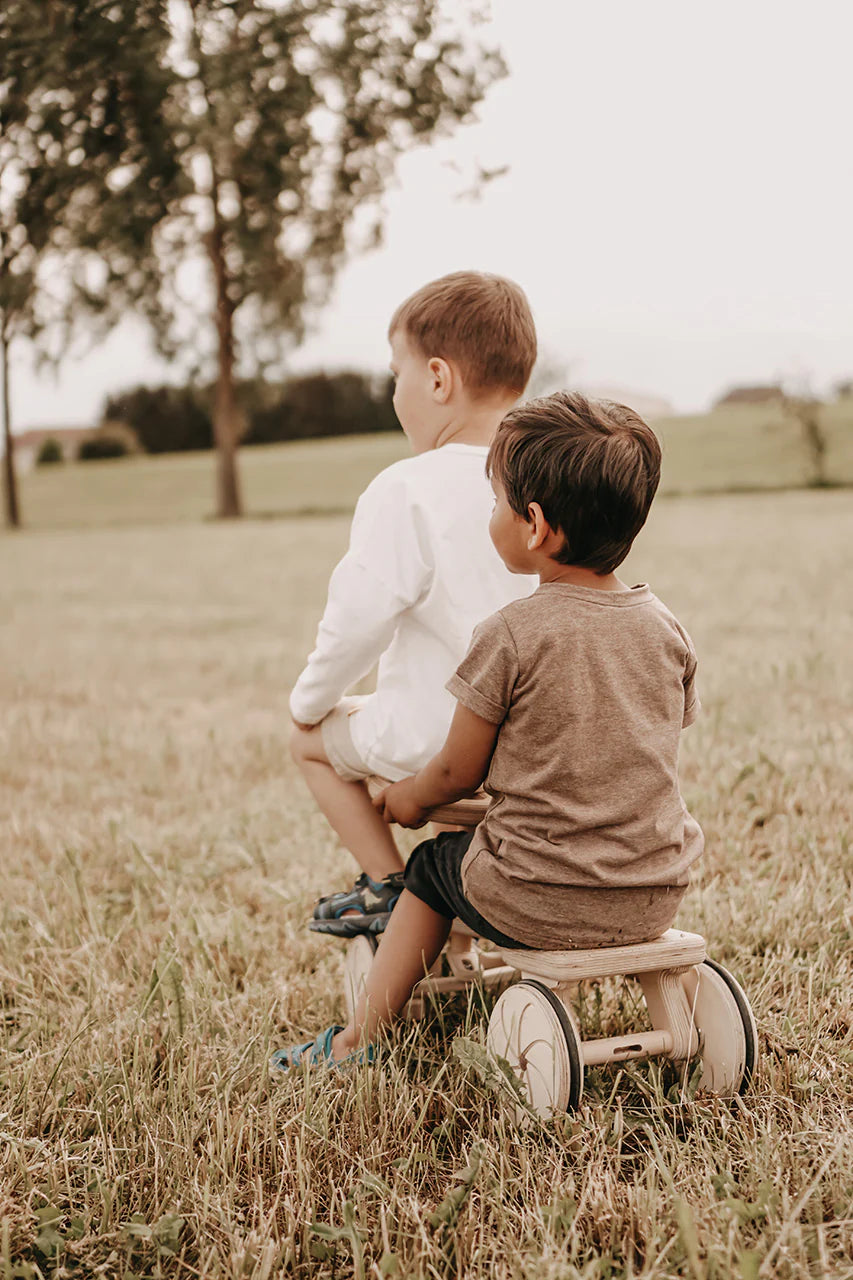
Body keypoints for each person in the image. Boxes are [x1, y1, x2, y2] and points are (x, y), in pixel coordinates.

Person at [272, 390, 704, 1069]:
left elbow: (455, 773)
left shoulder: (509, 635)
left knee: (428, 869)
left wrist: (406, 800)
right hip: (654, 889)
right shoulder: (664, 629)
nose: (492, 516)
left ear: (533, 525)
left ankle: (358, 1041)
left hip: (543, 898)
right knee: (485, 846)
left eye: (496, 502)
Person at [289, 272, 538, 937]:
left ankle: (386, 886)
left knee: (310, 744)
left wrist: (309, 704)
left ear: (435, 379)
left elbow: (356, 623)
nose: (393, 391)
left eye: (394, 373)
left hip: (436, 739)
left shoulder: (405, 488)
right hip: (538, 744)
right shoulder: (546, 474)